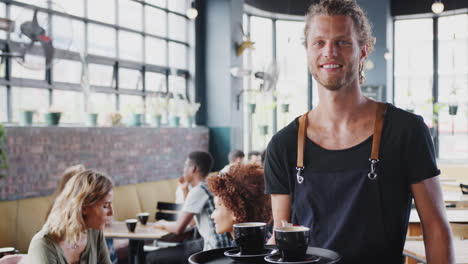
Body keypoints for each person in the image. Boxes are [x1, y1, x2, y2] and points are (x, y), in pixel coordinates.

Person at [264, 0, 454, 263]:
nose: (329, 52)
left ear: (362, 51)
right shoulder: (283, 144)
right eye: (318, 43)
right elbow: (281, 236)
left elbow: (435, 227)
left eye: (342, 42)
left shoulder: (406, 131)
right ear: (307, 51)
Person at [146, 151, 231, 264]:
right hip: (222, 245)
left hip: (213, 248)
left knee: (152, 257)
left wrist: (161, 223)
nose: (184, 169)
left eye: (186, 165)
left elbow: (178, 228)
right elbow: (192, 221)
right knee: (181, 247)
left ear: (193, 169)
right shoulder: (208, 185)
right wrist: (184, 190)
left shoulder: (198, 190)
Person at [26, 170, 114, 264]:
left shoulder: (95, 234)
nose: (111, 213)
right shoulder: (43, 244)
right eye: (105, 206)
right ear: (83, 207)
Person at [207, 164, 272, 241]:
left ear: (235, 212)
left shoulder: (242, 250)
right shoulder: (266, 241)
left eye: (216, 208)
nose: (212, 216)